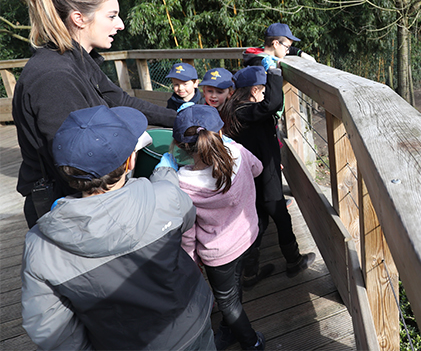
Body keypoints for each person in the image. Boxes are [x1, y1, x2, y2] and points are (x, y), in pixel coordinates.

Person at [21, 105, 215, 351]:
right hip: (191, 327)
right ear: (131, 161)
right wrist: (165, 172)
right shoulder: (166, 198)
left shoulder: (39, 246)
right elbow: (185, 215)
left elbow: (48, 328)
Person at [12, 0, 176, 228]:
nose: (120, 24)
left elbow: (121, 101)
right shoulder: (54, 77)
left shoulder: (77, 60)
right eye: (111, 16)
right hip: (67, 208)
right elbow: (74, 163)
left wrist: (182, 118)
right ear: (79, 18)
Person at [173, 104, 266, 351]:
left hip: (218, 255)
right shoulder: (238, 151)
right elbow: (258, 168)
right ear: (221, 132)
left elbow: (188, 232)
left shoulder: (182, 183)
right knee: (233, 289)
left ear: (182, 146)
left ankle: (251, 342)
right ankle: (229, 328)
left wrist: (192, 261)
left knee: (226, 301)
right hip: (247, 235)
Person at [222, 66, 315, 280]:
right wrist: (274, 72)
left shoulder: (237, 110)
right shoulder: (245, 110)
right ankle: (293, 261)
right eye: (263, 90)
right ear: (255, 90)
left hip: (254, 176)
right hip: (265, 177)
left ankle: (249, 272)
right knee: (280, 216)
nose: (265, 95)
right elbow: (272, 103)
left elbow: (270, 108)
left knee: (259, 221)